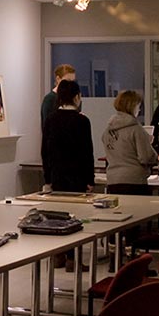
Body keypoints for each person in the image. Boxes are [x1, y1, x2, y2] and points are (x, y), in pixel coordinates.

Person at [42, 80, 94, 272]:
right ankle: (74, 258)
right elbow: (87, 152)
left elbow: (44, 151)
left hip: (57, 176)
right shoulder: (82, 121)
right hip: (77, 177)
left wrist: (47, 178)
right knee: (75, 219)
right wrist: (90, 179)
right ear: (77, 97)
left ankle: (58, 255)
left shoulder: (51, 119)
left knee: (58, 217)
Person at [102, 90, 156, 195]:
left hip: (113, 180)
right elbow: (146, 157)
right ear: (133, 106)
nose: (139, 110)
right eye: (139, 106)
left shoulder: (108, 130)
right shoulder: (136, 129)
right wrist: (149, 146)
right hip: (134, 180)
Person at [41, 64, 76, 129]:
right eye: (67, 81)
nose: (70, 85)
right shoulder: (49, 99)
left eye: (72, 81)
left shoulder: (72, 99)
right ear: (58, 79)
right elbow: (46, 125)